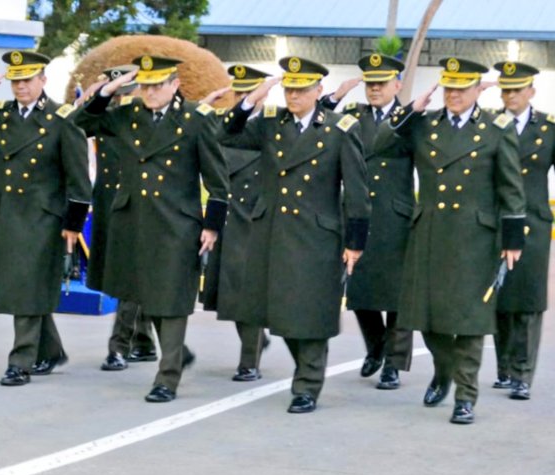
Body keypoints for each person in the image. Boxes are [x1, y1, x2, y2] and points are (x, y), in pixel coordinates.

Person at [375, 57, 526, 424]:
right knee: (428, 319)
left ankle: (465, 396)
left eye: (461, 88)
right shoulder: (424, 124)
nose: (454, 95)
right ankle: (444, 370)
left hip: (475, 239)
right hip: (430, 233)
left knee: (471, 321)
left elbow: (511, 188)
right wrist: (409, 111)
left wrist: (512, 239)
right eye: (449, 88)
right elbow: (380, 145)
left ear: (477, 90)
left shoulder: (496, 128)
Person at [75, 55, 229, 402]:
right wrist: (106, 91)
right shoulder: (128, 115)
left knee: (171, 299)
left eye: (157, 85)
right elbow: (81, 123)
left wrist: (212, 226)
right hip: (133, 221)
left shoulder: (195, 119)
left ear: (175, 85)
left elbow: (218, 181)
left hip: (176, 224)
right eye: (145, 85)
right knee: (148, 295)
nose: (150, 92)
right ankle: (175, 354)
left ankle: (167, 378)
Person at [223, 56, 371, 413]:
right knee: (280, 313)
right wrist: (250, 100)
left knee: (311, 312)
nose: (293, 96)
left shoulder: (339, 129)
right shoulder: (271, 124)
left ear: (319, 91)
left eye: (301, 90)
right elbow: (226, 133)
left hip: (315, 236)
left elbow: (356, 190)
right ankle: (304, 371)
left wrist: (354, 242)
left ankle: (307, 385)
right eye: (289, 89)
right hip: (272, 232)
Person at [0, 50, 91, 386]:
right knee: (22, 286)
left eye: (27, 80)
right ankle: (51, 350)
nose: (20, 87)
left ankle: (20, 362)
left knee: (26, 286)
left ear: (43, 80)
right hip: (7, 212)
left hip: (42, 217)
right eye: (15, 81)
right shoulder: (0, 115)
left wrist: (73, 225)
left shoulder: (62, 118)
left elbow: (79, 180)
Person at [318, 53, 414, 390]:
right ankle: (376, 346)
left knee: (397, 295)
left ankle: (394, 364)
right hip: (358, 214)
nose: (374, 89)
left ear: (397, 86)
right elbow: (319, 120)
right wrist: (335, 96)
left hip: (395, 215)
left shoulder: (409, 118)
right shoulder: (352, 116)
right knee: (360, 289)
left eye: (381, 83)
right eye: (370, 83)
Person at [490, 61, 555, 400]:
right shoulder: (490, 123)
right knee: (498, 297)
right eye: (505, 90)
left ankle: (522, 374)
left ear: (531, 92)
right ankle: (503, 368)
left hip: (533, 223)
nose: (510, 96)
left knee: (528, 299)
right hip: (496, 221)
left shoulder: (550, 127)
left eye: (517, 90)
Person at [75, 65, 159, 372]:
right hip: (109, 204)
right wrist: (95, 94)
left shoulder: (144, 116)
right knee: (130, 277)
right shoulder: (106, 116)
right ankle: (144, 342)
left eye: (122, 91)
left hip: (138, 206)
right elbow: (77, 122)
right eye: (113, 92)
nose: (116, 97)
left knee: (131, 276)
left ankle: (119, 346)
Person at [199, 64, 271, 382]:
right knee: (228, 294)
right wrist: (204, 103)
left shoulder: (272, 126)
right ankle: (256, 342)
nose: (243, 97)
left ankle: (249, 361)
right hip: (226, 217)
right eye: (239, 91)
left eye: (249, 91)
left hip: (254, 221)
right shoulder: (223, 123)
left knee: (246, 293)